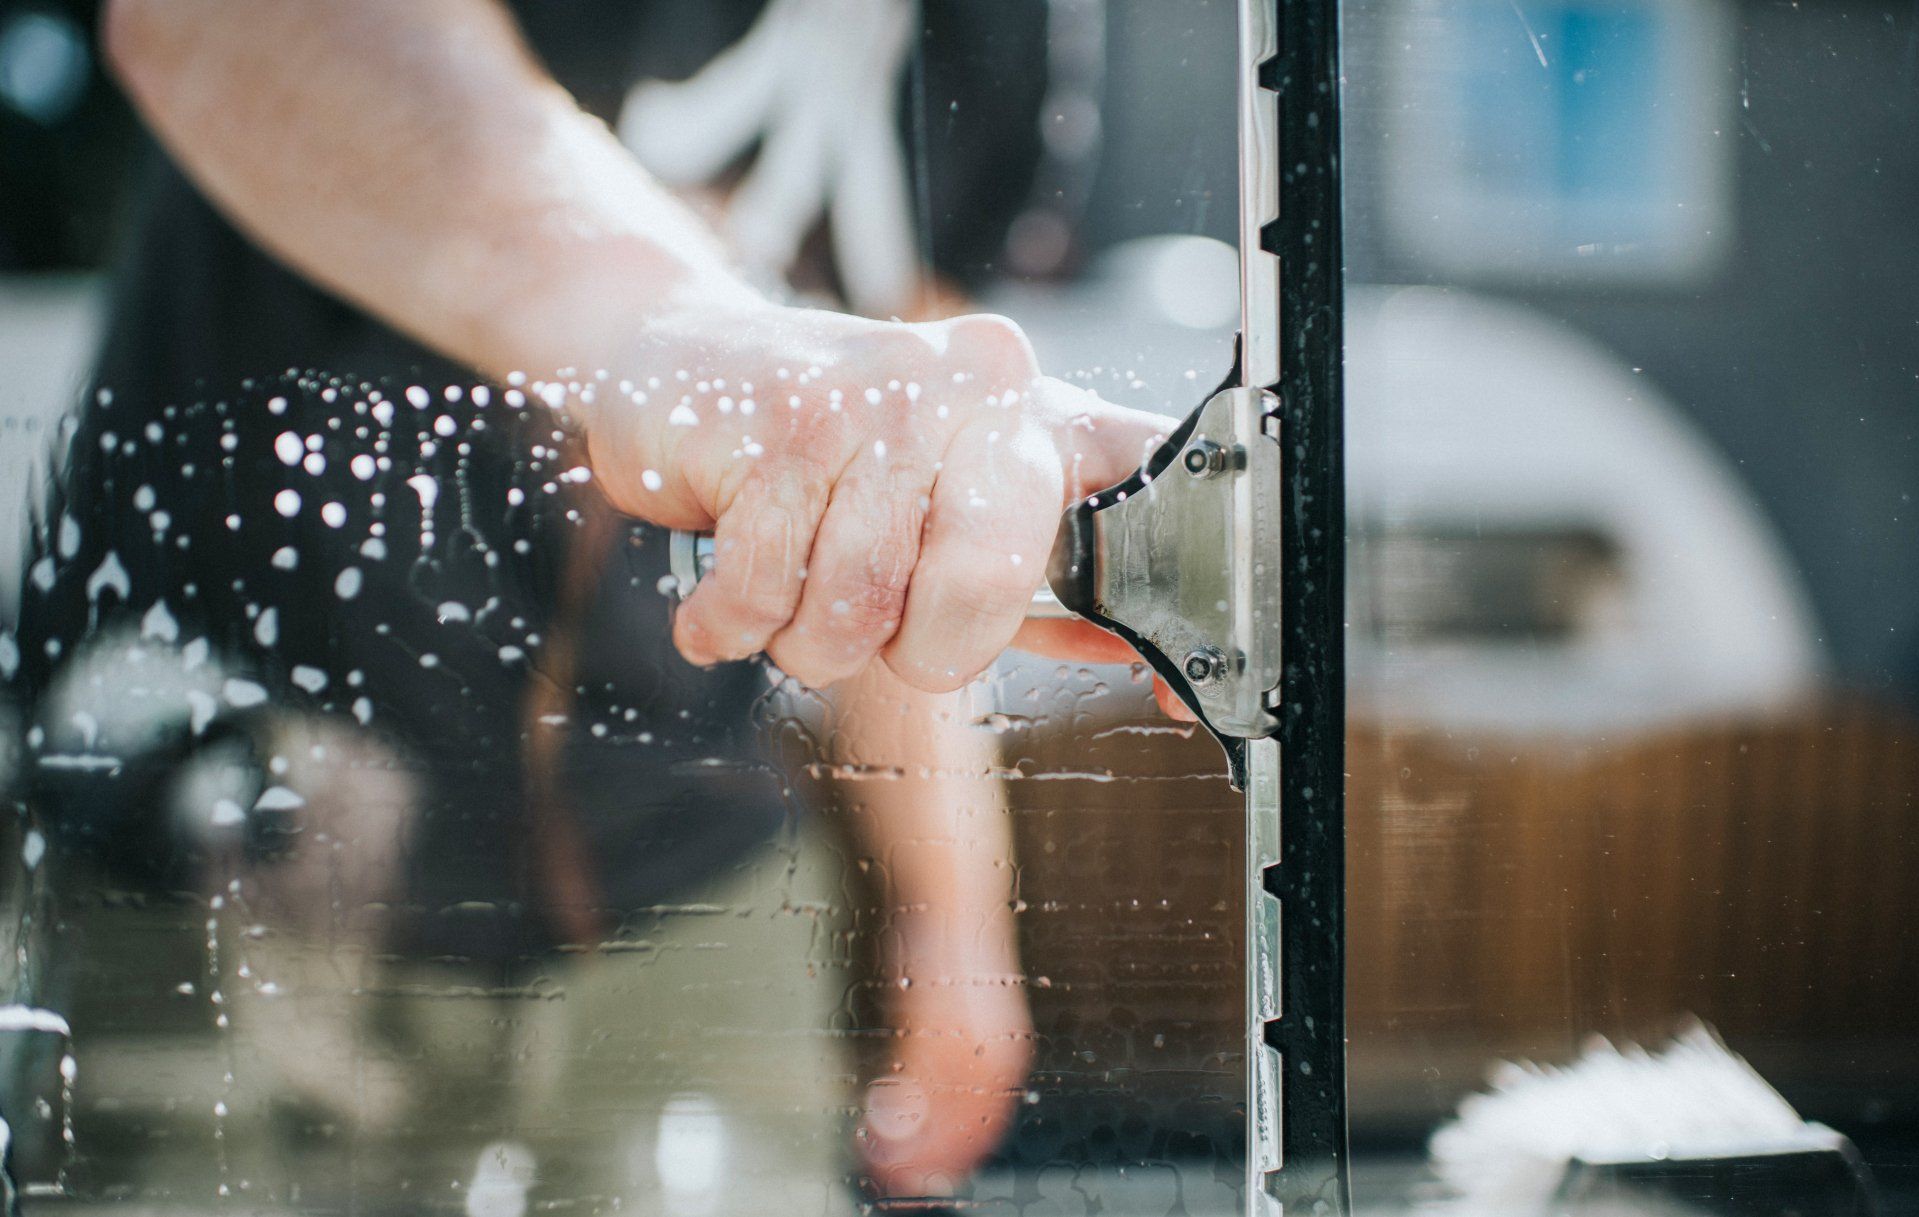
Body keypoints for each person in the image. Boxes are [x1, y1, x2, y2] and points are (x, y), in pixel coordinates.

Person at [6, 0, 1169, 1202]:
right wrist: (672, 326)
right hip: (241, 849)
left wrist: (952, 922)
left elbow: (893, 435)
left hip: (684, 875)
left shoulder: (998, 27)